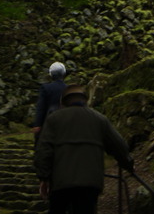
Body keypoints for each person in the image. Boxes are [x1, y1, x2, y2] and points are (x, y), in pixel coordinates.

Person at [34, 84, 132, 214]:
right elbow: (119, 146)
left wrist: (43, 178)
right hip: (90, 183)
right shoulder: (99, 119)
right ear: (85, 100)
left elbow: (44, 150)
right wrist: (128, 164)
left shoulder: (54, 119)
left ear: (63, 102)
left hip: (60, 183)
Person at [31, 62, 68, 143]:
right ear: (64, 74)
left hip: (48, 122)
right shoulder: (68, 89)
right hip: (65, 122)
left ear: (51, 75)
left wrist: (38, 124)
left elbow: (41, 107)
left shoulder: (46, 88)